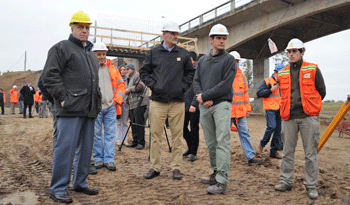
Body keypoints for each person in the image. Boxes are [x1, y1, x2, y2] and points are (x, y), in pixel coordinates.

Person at [42, 11, 101, 203]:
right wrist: (62, 97)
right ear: (72, 28)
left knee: (85, 150)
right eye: (80, 27)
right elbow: (49, 76)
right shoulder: (61, 48)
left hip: (89, 109)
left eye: (87, 27)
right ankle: (58, 188)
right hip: (69, 109)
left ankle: (80, 183)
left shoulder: (91, 55)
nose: (84, 31)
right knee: (65, 149)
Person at [140, 20, 195, 180]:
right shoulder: (153, 53)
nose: (175, 36)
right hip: (157, 101)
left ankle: (176, 168)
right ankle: (154, 167)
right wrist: (155, 86)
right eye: (172, 33)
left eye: (177, 34)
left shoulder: (183, 54)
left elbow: (190, 74)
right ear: (164, 34)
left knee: (177, 136)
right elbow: (144, 72)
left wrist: (182, 88)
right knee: (155, 135)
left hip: (177, 102)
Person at [274, 38, 326, 200]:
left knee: (310, 153)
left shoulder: (313, 69)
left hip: (308, 118)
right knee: (287, 152)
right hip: (288, 118)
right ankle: (286, 181)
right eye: (289, 52)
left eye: (294, 51)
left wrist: (310, 106)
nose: (291, 54)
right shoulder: (282, 73)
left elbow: (321, 91)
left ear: (302, 52)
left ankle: (311, 185)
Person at [192, 24, 236, 194]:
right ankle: (216, 172)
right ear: (211, 40)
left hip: (221, 105)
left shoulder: (229, 60)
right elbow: (196, 81)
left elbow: (226, 84)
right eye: (219, 38)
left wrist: (205, 96)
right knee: (211, 142)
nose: (222, 41)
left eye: (224, 38)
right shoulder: (203, 60)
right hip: (205, 105)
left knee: (222, 142)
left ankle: (222, 180)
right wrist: (201, 97)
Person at [91, 42, 125, 171]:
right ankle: (99, 159)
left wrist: (117, 101)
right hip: (97, 108)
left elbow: (121, 85)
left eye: (103, 54)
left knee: (110, 134)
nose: (101, 56)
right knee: (96, 134)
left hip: (111, 107)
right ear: (93, 54)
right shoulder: (90, 68)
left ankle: (109, 160)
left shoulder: (113, 68)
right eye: (99, 54)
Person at [229, 51, 261, 165]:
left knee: (245, 134)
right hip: (227, 111)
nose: (235, 63)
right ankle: (222, 158)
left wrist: (247, 109)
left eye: (237, 61)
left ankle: (251, 156)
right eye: (233, 61)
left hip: (240, 111)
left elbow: (245, 95)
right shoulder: (224, 75)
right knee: (223, 135)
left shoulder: (243, 77)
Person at [256, 64, 284, 158]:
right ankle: (262, 144)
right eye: (280, 73)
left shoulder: (283, 82)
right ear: (275, 72)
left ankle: (273, 151)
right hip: (270, 109)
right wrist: (271, 90)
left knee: (278, 131)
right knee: (272, 127)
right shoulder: (267, 81)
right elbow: (259, 93)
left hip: (280, 109)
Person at [125, 63, 148, 150]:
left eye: (128, 69)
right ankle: (135, 141)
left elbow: (140, 87)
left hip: (140, 103)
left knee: (139, 123)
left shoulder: (137, 76)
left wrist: (129, 89)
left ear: (132, 69)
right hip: (132, 104)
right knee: (133, 123)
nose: (126, 71)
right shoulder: (130, 78)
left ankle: (141, 143)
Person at [182, 51, 200, 162]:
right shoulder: (185, 71)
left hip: (194, 105)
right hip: (184, 104)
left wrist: (194, 103)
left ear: (192, 59)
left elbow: (197, 89)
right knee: (182, 128)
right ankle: (190, 147)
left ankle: (193, 152)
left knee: (194, 129)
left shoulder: (199, 70)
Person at [116, 65, 129, 146]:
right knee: (118, 122)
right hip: (118, 104)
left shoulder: (128, 79)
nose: (123, 71)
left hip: (126, 103)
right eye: (122, 70)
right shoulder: (117, 79)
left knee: (125, 122)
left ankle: (125, 139)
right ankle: (118, 139)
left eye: (124, 69)